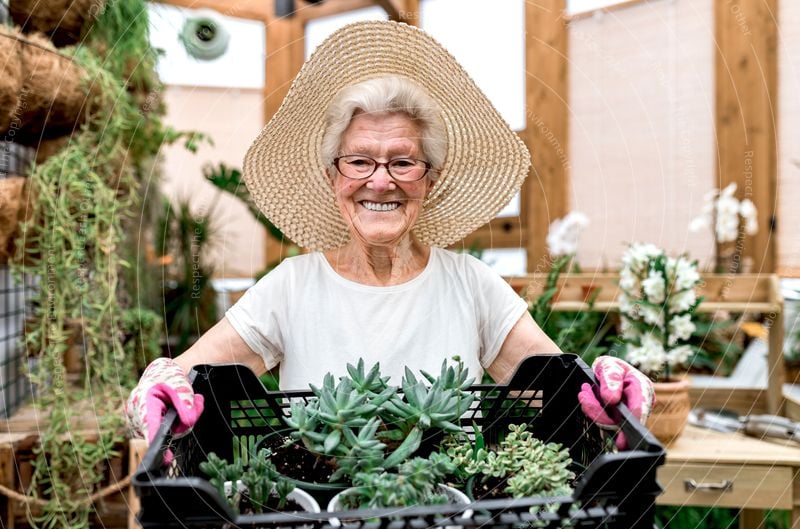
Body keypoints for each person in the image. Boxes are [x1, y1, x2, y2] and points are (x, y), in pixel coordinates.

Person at [126, 20, 652, 450]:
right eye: (359, 161)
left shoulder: (471, 284)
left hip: (450, 519)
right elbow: (177, 384)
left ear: (430, 179)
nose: (380, 180)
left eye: (403, 161)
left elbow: (568, 390)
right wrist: (152, 393)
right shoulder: (291, 286)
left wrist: (617, 395)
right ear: (333, 179)